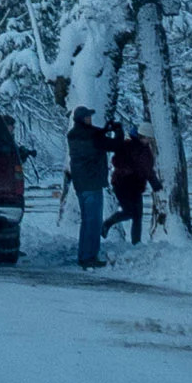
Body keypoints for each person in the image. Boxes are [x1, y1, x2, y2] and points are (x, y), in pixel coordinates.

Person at [65, 107, 111, 268]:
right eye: (88, 117)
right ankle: (89, 255)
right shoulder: (91, 136)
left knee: (86, 221)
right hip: (93, 182)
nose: (90, 119)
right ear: (82, 119)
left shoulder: (72, 136)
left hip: (80, 183)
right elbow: (105, 143)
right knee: (94, 221)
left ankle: (84, 253)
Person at [105, 123, 159, 245]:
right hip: (122, 184)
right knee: (128, 212)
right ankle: (108, 223)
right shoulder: (127, 145)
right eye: (147, 138)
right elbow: (116, 161)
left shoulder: (147, 151)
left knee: (137, 216)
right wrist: (128, 170)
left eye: (150, 139)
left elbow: (148, 169)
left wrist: (155, 184)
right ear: (141, 136)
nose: (148, 141)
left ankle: (136, 242)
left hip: (137, 186)